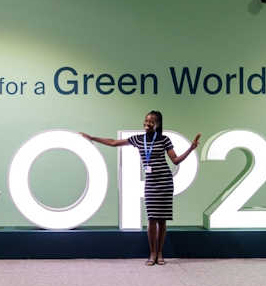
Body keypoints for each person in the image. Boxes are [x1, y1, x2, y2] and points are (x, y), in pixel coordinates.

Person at [80, 111, 200, 266]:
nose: (147, 124)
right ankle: (151, 254)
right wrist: (92, 137)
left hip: (165, 181)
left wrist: (191, 148)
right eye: (146, 120)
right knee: (151, 219)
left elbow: (175, 160)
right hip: (150, 182)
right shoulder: (138, 139)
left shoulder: (164, 139)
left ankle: (160, 254)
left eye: (151, 122)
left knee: (162, 219)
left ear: (157, 124)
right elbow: (114, 142)